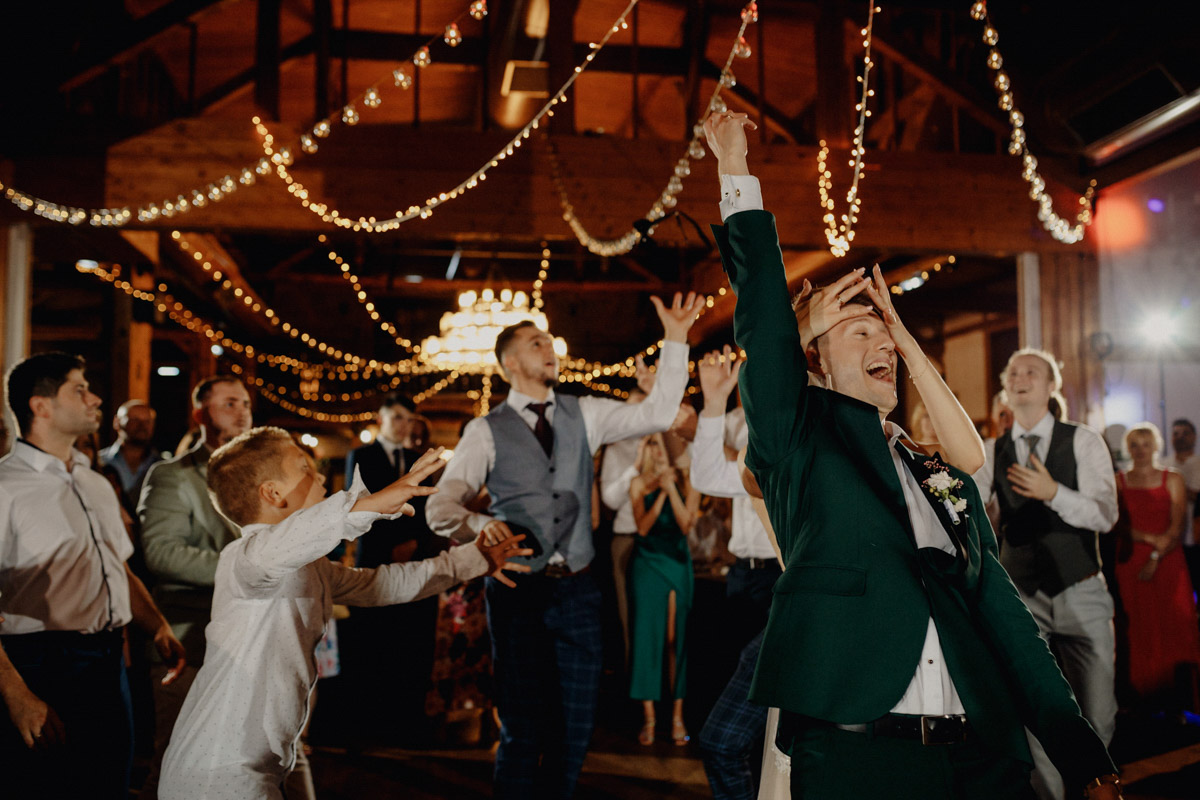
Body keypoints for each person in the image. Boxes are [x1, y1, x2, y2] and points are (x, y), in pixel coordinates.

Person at [704, 110, 1120, 800]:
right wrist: (734, 168)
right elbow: (767, 337)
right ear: (815, 359)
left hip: (980, 762)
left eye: (887, 335)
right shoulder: (800, 445)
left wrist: (1085, 758)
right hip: (857, 756)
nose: (884, 345)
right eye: (858, 331)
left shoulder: (938, 473)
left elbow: (1006, 618)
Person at [427, 293, 702, 799]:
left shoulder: (586, 413)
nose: (549, 347)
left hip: (578, 591)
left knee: (575, 727)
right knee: (521, 725)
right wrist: (480, 524)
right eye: (536, 343)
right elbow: (439, 507)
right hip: (517, 593)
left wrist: (677, 336)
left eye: (550, 341)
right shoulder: (485, 431)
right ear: (511, 362)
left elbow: (661, 411)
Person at [158, 427, 531, 799]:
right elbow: (283, 546)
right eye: (304, 468)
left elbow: (384, 584)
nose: (320, 476)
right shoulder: (244, 559)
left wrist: (473, 560)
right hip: (217, 768)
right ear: (272, 493)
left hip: (256, 766)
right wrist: (371, 504)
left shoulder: (312, 567)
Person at [0, 352, 186, 800]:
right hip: (39, 664)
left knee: (107, 784)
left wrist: (158, 626)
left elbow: (116, 568)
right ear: (41, 406)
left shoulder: (95, 483)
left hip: (107, 665)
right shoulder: (5, 488)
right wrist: (16, 695)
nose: (95, 398)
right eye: (79, 389)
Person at [972, 348, 1119, 800]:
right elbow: (971, 512)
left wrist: (1054, 492)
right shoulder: (992, 450)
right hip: (1021, 596)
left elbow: (1105, 514)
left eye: (1031, 372)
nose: (1020, 377)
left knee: (1098, 712)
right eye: (1013, 372)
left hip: (1081, 589)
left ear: (1052, 385)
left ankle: (1094, 787)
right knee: (1034, 710)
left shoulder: (1083, 441)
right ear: (1005, 387)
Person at [136, 374, 252, 797]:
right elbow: (162, 553)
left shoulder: (264, 472)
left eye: (245, 403)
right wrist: (248, 568)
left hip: (253, 639)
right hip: (191, 640)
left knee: (247, 764)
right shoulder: (173, 475)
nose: (242, 412)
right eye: (229, 403)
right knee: (177, 763)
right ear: (200, 415)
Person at [691, 346, 783, 800]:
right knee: (737, 723)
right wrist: (712, 402)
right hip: (743, 571)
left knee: (775, 725)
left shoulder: (795, 424)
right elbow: (708, 474)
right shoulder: (736, 422)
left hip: (788, 583)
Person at [343, 392, 444, 745]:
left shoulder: (417, 459)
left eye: (409, 418)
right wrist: (390, 545)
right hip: (376, 558)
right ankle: (368, 726)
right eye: (398, 417)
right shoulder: (362, 456)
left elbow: (429, 508)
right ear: (381, 418)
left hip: (414, 559)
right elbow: (357, 506)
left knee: (409, 642)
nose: (404, 425)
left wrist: (415, 542)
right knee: (373, 643)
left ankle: (407, 724)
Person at [1114, 423, 1200, 703]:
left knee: (1174, 625)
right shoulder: (1118, 481)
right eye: (1134, 444)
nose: (1140, 450)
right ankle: (1139, 699)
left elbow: (1177, 526)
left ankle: (1176, 701)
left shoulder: (1172, 478)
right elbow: (1115, 524)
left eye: (1146, 444)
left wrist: (1155, 556)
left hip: (1168, 561)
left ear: (1156, 447)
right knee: (1135, 627)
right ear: (1128, 449)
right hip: (1130, 560)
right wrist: (1148, 539)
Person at [628, 432, 698, 745]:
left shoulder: (690, 481)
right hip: (647, 563)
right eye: (653, 443)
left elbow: (685, 525)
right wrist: (659, 492)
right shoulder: (638, 483)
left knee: (676, 639)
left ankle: (678, 715)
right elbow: (642, 527)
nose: (660, 450)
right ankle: (649, 717)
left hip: (677, 563)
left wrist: (672, 488)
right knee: (647, 638)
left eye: (664, 443)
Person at [100, 399, 162, 504]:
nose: (142, 426)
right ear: (117, 422)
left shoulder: (161, 465)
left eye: (147, 421)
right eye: (135, 420)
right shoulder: (100, 461)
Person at [1169, 419, 1200, 593]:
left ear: (1194, 437)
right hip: (1170, 535)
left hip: (1196, 536)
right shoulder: (1163, 464)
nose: (1180, 437)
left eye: (1185, 433)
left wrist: (1178, 488)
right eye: (1176, 434)